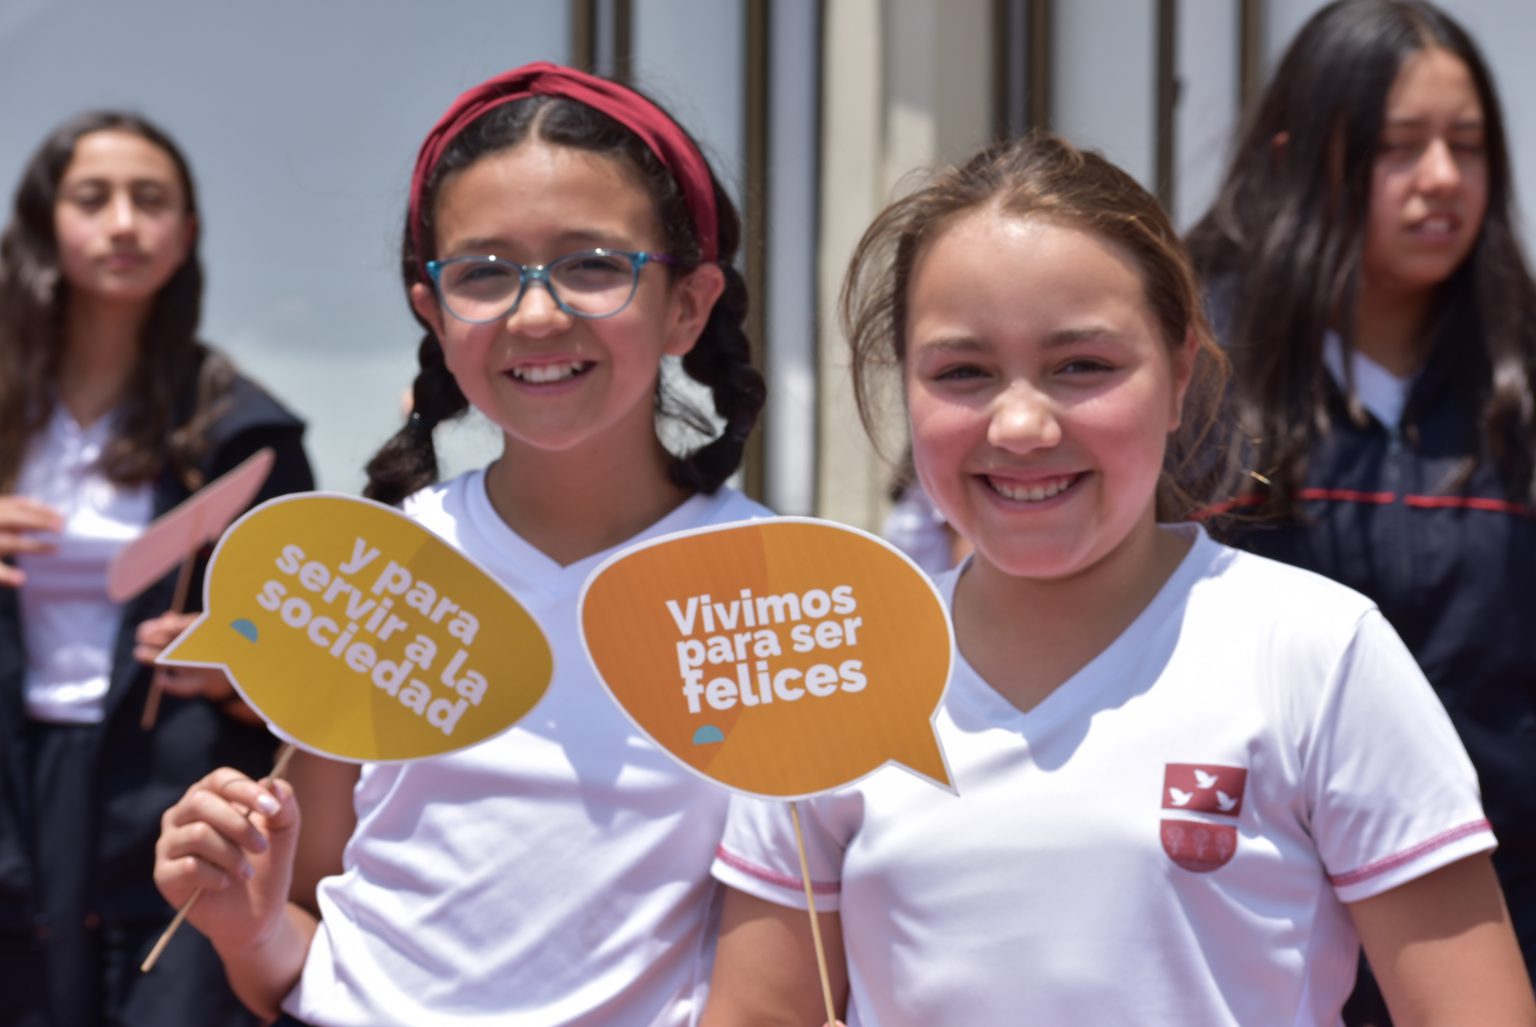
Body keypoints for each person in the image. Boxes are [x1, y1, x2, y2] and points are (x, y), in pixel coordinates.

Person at [699, 133, 1536, 1027]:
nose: (1021, 424)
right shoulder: (828, 675)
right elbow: (761, 1012)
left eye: (1082, 367)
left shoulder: (1316, 651)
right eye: (963, 372)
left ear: (1179, 375)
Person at [152, 63, 768, 1026]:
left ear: (688, 303)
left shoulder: (776, 593)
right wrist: (244, 922)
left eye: (593, 265)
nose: (537, 313)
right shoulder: (378, 572)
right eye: (483, 273)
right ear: (432, 314)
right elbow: (295, 936)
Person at [1185, 1, 1536, 1019]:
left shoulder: (1516, 379)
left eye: (1468, 145)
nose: (1443, 177)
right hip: (1243, 932)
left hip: (1492, 931)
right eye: (1397, 146)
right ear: (1296, 156)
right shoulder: (1188, 373)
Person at [0, 111, 315, 1026]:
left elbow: (308, 656)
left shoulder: (242, 430)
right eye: (92, 198)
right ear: (44, 223)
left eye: (150, 200)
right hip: (14, 785)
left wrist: (233, 673)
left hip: (166, 789)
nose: (124, 223)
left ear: (186, 235)